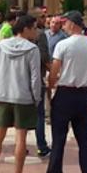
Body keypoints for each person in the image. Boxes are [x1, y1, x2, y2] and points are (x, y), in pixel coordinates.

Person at [41, 11, 87, 173]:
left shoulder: (63, 45)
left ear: (72, 24)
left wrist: (51, 88)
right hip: (82, 93)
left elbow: (55, 70)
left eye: (65, 23)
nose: (63, 27)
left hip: (65, 92)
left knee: (59, 138)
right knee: (85, 139)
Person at [0, 14, 42, 173]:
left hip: (2, 94)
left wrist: (2, 81)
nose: (36, 31)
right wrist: (36, 97)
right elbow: (35, 78)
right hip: (23, 97)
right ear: (25, 29)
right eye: (33, 28)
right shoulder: (32, 49)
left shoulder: (1, 46)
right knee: (20, 137)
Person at [31, 9, 52, 158]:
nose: (45, 19)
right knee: (39, 114)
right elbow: (44, 56)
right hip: (37, 76)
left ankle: (21, 145)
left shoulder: (21, 35)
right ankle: (41, 145)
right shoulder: (41, 35)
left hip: (22, 79)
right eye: (42, 17)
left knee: (23, 114)